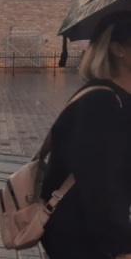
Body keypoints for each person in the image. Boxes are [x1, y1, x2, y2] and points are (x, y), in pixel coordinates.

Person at [40, 13, 131, 258]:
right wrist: (122, 247)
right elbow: (101, 185)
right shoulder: (101, 102)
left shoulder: (121, 98)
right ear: (118, 50)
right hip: (83, 234)